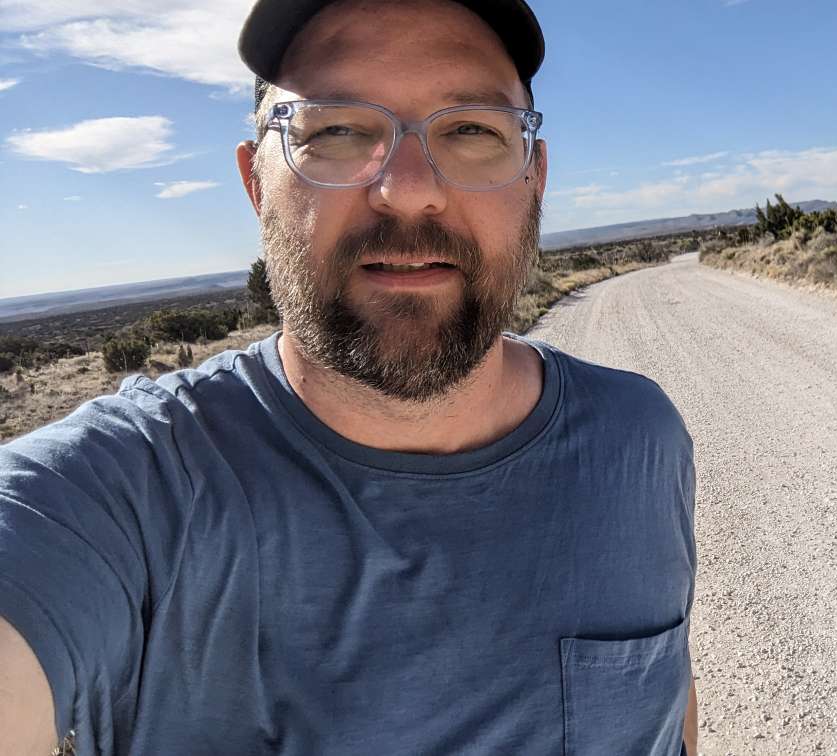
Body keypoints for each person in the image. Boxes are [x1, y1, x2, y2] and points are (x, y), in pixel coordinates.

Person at [0, 0, 699, 753]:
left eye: (471, 130)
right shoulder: (125, 493)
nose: (408, 188)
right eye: (335, 130)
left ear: (535, 179)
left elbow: (667, 713)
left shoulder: (640, 438)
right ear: (256, 185)